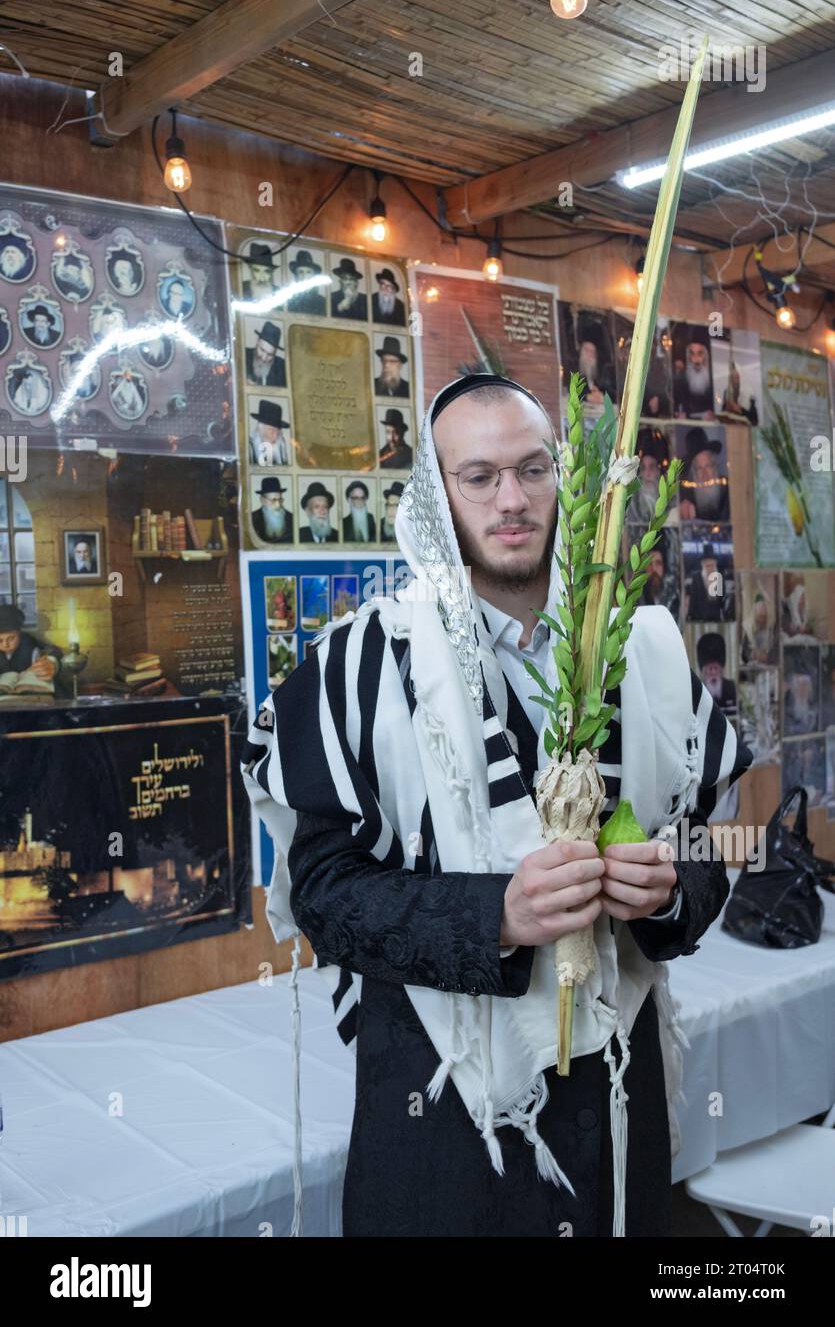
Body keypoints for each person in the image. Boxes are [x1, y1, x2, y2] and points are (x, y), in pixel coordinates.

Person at [241, 372, 752, 1238]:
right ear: (434, 498)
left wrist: (670, 889)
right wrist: (496, 916)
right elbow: (322, 897)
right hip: (441, 1126)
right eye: (476, 477)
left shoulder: (649, 647)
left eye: (532, 469)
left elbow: (715, 840)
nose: (510, 500)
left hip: (614, 1108)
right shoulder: (359, 665)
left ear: (567, 479)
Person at [678, 429, 729, 521]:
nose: (704, 475)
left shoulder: (728, 489)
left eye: (708, 466)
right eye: (699, 468)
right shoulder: (686, 495)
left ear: (715, 465)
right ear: (693, 472)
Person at [0, 603, 61, 680]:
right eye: (0, 640)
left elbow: (53, 650)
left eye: (11, 638)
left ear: (19, 633)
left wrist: (52, 661)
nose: (5, 645)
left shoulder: (28, 642)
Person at [673, 332, 715, 420]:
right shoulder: (680, 379)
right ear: (688, 357)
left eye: (700, 353)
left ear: (706, 356)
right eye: (692, 354)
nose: (696, 359)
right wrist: (677, 413)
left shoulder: (713, 380)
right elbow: (674, 406)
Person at [696, 631, 736, 714]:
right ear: (704, 670)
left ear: (721, 669)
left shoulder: (731, 687)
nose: (713, 672)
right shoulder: (698, 689)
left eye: (716, 668)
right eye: (710, 668)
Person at [252, 476, 293, 544]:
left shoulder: (291, 518)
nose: (278, 505)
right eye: (273, 500)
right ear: (262, 500)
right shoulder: (252, 518)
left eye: (280, 500)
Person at [249, 399, 290, 466]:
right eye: (271, 431)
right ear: (259, 429)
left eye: (278, 432)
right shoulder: (250, 445)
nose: (275, 437)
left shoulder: (281, 442)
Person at [246, 321, 286, 388]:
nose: (264, 358)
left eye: (270, 354)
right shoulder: (243, 355)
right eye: (262, 350)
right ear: (257, 341)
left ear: (275, 352)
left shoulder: (282, 367)